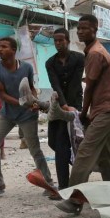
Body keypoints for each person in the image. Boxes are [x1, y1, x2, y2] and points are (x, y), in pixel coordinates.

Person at [55, 14, 110, 214]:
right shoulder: (93, 51)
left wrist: (84, 113)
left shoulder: (95, 53)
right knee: (105, 155)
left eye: (85, 28)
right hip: (107, 106)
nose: (81, 31)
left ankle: (75, 200)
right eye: (79, 28)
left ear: (95, 29)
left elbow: (91, 88)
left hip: (108, 107)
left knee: (85, 150)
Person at [0, 37, 54, 198]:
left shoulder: (26, 67)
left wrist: (34, 102)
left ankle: (49, 183)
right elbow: (2, 94)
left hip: (27, 115)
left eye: (4, 46)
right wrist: (24, 103)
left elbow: (31, 88)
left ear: (14, 50)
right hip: (7, 114)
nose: (0, 49)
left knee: (35, 149)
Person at [45, 28, 85, 191]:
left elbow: (76, 83)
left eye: (61, 40)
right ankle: (64, 184)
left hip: (76, 104)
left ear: (68, 41)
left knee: (72, 143)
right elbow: (55, 85)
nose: (58, 43)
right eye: (55, 40)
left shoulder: (79, 58)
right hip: (58, 105)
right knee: (55, 142)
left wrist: (71, 106)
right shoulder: (50, 63)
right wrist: (63, 104)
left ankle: (70, 185)